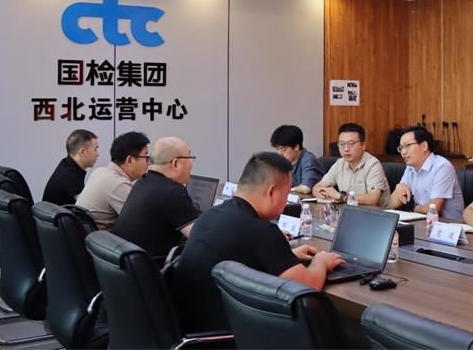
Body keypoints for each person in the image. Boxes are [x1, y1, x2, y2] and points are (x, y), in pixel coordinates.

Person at [173, 152, 344, 333]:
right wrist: (321, 262)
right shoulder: (261, 230)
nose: (286, 203)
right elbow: (307, 286)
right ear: (272, 192)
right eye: (286, 194)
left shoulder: (211, 215)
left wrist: (287, 256)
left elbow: (243, 255)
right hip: (227, 332)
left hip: (190, 322)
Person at [113, 136, 199, 259]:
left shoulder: (142, 182)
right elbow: (200, 238)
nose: (191, 164)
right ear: (175, 163)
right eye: (190, 158)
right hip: (155, 267)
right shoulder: (171, 191)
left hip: (129, 264)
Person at [75, 131, 149, 230]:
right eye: (146, 157)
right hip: (101, 238)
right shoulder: (118, 184)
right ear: (130, 160)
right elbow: (143, 220)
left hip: (86, 235)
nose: (148, 163)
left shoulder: (100, 172)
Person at [387, 126, 463, 219]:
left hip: (448, 224)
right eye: (401, 148)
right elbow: (391, 204)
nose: (403, 152)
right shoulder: (410, 168)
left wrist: (414, 209)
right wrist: (399, 188)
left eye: (407, 146)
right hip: (423, 221)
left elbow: (434, 208)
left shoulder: (442, 167)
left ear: (424, 146)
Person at [312, 123, 390, 206]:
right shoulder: (340, 163)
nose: (346, 149)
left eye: (351, 143)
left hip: (373, 212)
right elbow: (317, 186)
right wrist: (320, 192)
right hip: (348, 211)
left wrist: (340, 196)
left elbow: (373, 199)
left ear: (363, 145)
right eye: (342, 144)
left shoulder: (373, 165)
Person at [42, 129, 99, 205]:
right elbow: (86, 207)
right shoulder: (71, 178)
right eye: (95, 149)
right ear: (83, 152)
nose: (97, 154)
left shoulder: (65, 165)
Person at [270, 124, 324, 194]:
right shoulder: (283, 162)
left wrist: (287, 189)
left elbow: (306, 188)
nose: (280, 154)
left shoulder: (309, 160)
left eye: (284, 150)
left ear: (296, 147)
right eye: (277, 149)